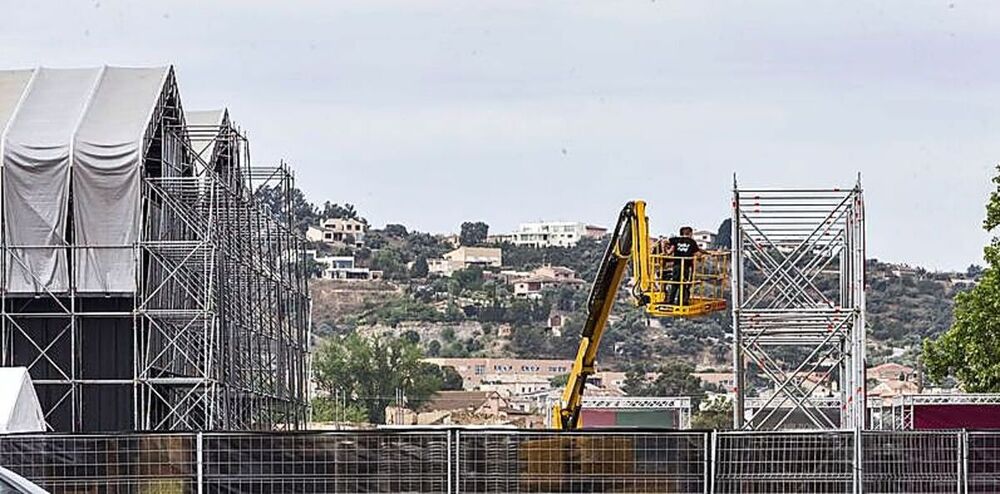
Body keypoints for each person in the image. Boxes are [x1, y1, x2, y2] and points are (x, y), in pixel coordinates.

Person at [665, 226, 701, 306]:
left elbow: (669, 249)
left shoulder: (675, 240)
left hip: (676, 265)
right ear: (690, 233)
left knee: (675, 283)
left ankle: (670, 301)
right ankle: (681, 301)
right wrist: (702, 256)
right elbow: (697, 254)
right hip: (686, 266)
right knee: (684, 284)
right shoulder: (692, 242)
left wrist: (666, 250)